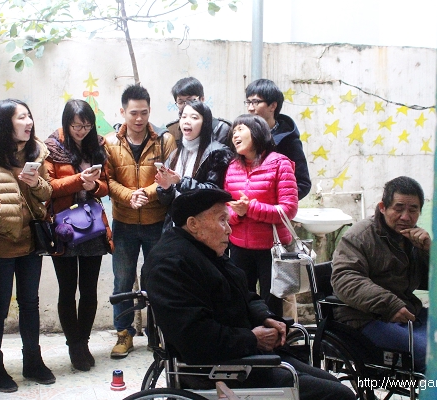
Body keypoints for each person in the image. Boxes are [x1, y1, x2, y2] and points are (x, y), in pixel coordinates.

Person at [141, 187, 355, 400]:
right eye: (222, 220)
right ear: (193, 224)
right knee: (338, 395)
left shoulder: (207, 252)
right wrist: (252, 338)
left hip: (246, 357)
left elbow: (245, 294)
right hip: (218, 369)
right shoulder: (171, 264)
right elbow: (194, 337)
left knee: (333, 384)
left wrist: (265, 317)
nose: (229, 230)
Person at [0, 99, 55, 392]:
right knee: (0, 306)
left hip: (31, 241)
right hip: (0, 243)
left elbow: (47, 193)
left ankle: (33, 361)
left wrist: (35, 183)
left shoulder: (36, 151)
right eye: (21, 117)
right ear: (6, 123)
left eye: (29, 116)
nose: (29, 122)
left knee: (30, 303)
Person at [104, 84, 176, 358]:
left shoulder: (164, 140)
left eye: (144, 113)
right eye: (133, 113)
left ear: (149, 111)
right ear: (123, 112)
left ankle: (157, 333)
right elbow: (107, 180)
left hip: (156, 221)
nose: (139, 118)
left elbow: (170, 175)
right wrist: (128, 196)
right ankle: (124, 334)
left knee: (157, 280)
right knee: (122, 282)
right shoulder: (110, 143)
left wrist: (144, 193)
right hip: (123, 223)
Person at [331, 176, 430, 372]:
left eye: (413, 210)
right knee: (432, 357)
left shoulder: (414, 237)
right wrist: (389, 305)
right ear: (383, 207)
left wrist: (428, 252)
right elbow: (345, 279)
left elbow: (432, 283)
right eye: (398, 208)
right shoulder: (360, 236)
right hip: (365, 317)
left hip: (407, 312)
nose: (405, 217)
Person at [44, 99, 112, 371]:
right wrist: (79, 180)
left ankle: (83, 341)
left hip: (92, 227)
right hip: (65, 227)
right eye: (76, 126)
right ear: (66, 124)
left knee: (89, 289)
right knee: (67, 289)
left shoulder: (98, 146)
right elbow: (49, 187)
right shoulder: (52, 148)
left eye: (86, 126)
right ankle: (73, 343)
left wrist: (94, 186)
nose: (81, 131)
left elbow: (106, 187)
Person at [224, 114, 298, 317]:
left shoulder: (279, 163)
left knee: (273, 305)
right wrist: (237, 213)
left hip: (272, 249)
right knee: (242, 302)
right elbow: (226, 207)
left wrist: (251, 209)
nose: (235, 135)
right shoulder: (232, 167)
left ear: (257, 132)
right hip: (239, 246)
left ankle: (277, 337)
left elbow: (289, 210)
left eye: (240, 129)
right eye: (233, 132)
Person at [155, 99, 232, 231]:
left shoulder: (217, 152)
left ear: (205, 123)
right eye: (183, 116)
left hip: (203, 226)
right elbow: (166, 202)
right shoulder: (175, 154)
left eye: (194, 117)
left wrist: (180, 182)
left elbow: (214, 192)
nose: (187, 121)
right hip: (175, 225)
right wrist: (166, 188)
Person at [245, 79, 311, 200]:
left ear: (273, 106)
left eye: (255, 102)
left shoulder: (288, 141)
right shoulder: (242, 136)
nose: (250, 108)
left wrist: (273, 203)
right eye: (248, 102)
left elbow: (303, 183)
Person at [166, 77, 231, 145]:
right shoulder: (172, 129)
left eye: (190, 100)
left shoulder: (221, 129)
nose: (186, 105)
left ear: (202, 99)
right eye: (180, 102)